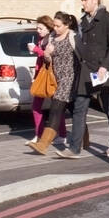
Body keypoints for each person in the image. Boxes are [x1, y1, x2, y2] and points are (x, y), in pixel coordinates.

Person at [63, 0, 109, 160]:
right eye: (81, 0)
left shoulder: (108, 19)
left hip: (104, 71)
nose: (82, 3)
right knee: (79, 109)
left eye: (85, 0)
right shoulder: (84, 21)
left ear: (95, 0)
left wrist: (105, 66)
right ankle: (74, 149)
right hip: (87, 72)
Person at [28, 12, 79, 155]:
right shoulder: (52, 37)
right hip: (55, 78)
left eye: (58, 26)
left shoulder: (73, 37)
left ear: (66, 25)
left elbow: (82, 57)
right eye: (54, 25)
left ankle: (43, 144)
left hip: (70, 78)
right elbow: (47, 61)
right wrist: (47, 54)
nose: (55, 28)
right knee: (75, 110)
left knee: (56, 109)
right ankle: (83, 138)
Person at [27, 16, 67, 143]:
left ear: (48, 28)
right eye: (37, 28)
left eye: (41, 28)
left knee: (56, 107)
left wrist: (36, 50)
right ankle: (38, 134)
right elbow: (40, 60)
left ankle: (62, 135)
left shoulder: (52, 39)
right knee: (36, 106)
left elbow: (50, 57)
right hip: (41, 76)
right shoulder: (40, 39)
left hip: (52, 76)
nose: (38, 30)